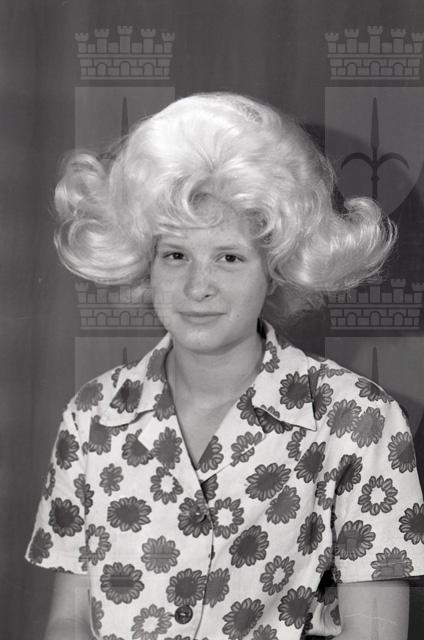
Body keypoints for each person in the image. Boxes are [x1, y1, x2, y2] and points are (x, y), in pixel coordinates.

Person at [26, 92, 424, 640]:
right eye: (175, 255)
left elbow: (376, 632)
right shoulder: (93, 415)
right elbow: (69, 619)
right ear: (144, 261)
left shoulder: (356, 419)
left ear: (276, 266)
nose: (197, 286)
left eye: (229, 257)